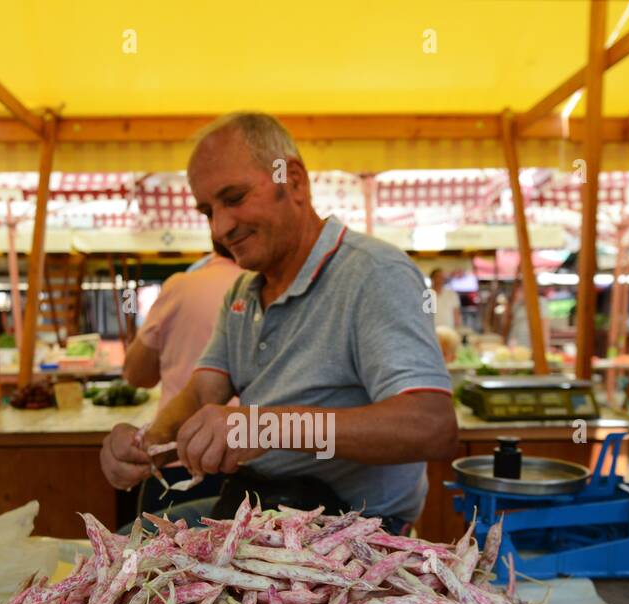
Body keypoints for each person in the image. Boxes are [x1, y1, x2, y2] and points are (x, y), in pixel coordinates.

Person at [99, 112, 457, 534]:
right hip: (258, 511)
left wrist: (265, 426)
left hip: (350, 536)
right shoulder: (242, 293)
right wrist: (149, 444)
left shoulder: (374, 273)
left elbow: (431, 426)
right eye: (207, 210)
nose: (220, 227)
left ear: (295, 181)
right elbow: (202, 390)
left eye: (233, 198)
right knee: (119, 556)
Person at [123, 241, 241, 518]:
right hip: (248, 466)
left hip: (181, 460)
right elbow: (204, 389)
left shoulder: (182, 286)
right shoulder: (256, 289)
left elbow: (136, 374)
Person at [429, 268, 462, 332]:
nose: (440, 279)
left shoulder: (451, 294)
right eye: (438, 276)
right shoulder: (426, 294)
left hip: (449, 330)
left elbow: (456, 313)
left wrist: (458, 328)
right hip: (432, 331)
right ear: (432, 278)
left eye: (442, 277)